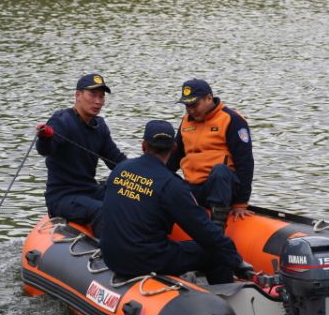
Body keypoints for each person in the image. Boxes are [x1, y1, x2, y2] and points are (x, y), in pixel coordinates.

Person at [100, 120, 252, 284]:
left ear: (143, 145)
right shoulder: (171, 185)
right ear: (173, 148)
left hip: (111, 256)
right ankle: (225, 299)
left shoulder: (120, 169)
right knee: (215, 253)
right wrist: (236, 260)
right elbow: (203, 230)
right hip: (144, 260)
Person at [36, 74, 126, 237]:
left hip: (89, 191)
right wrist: (44, 137)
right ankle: (111, 256)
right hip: (63, 197)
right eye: (92, 95)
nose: (98, 101)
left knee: (128, 195)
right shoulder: (62, 121)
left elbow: (117, 161)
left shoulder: (100, 127)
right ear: (78, 95)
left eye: (101, 97)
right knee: (101, 211)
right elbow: (45, 150)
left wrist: (145, 173)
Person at [167, 79, 254, 231]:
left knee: (219, 171)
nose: (191, 111)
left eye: (195, 105)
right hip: (193, 186)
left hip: (222, 187)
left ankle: (217, 229)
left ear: (209, 98)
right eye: (187, 106)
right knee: (170, 181)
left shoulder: (231, 119)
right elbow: (174, 159)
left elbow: (245, 162)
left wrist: (240, 203)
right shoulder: (186, 122)